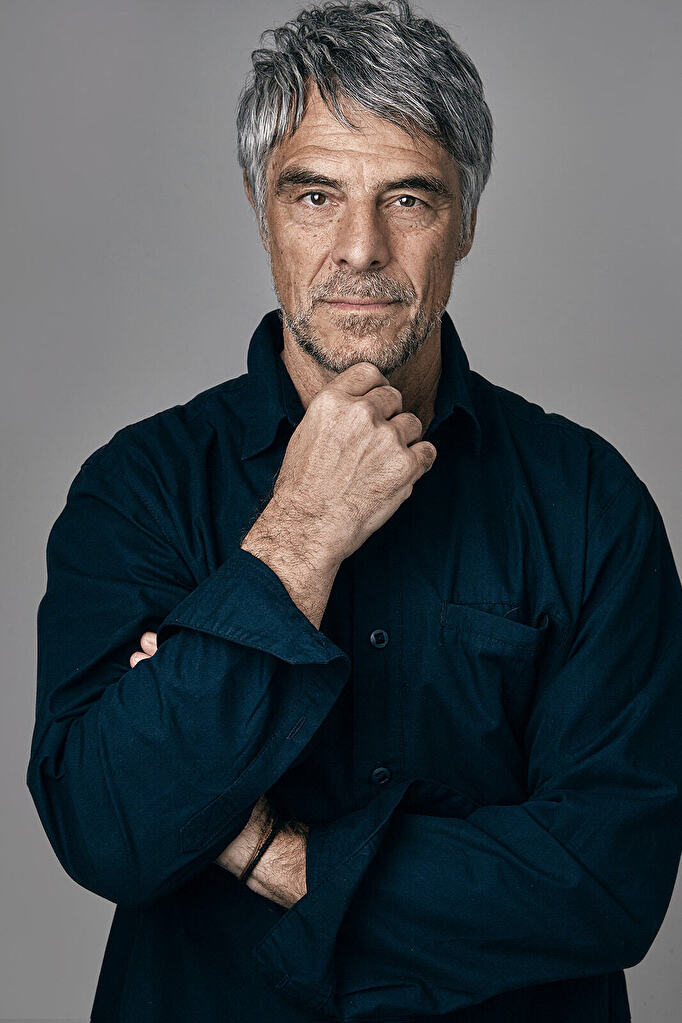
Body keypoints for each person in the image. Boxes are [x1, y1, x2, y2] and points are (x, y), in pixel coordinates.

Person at [27, 2, 682, 1020]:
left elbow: (605, 884)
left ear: (467, 220)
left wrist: (274, 854)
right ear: (263, 212)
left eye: (408, 197)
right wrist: (298, 534)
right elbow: (110, 829)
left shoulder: (591, 502)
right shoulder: (139, 489)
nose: (361, 248)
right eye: (316, 194)